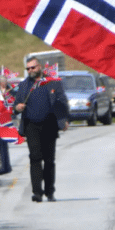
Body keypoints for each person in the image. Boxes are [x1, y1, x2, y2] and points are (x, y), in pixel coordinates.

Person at [13, 58, 70, 202]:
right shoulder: (24, 85)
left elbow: (61, 101)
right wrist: (18, 107)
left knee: (49, 160)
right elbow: (16, 105)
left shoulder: (52, 82)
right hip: (31, 125)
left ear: (40, 67)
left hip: (50, 124)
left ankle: (50, 191)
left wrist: (64, 120)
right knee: (35, 158)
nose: (30, 71)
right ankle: (37, 192)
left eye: (33, 68)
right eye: (28, 69)